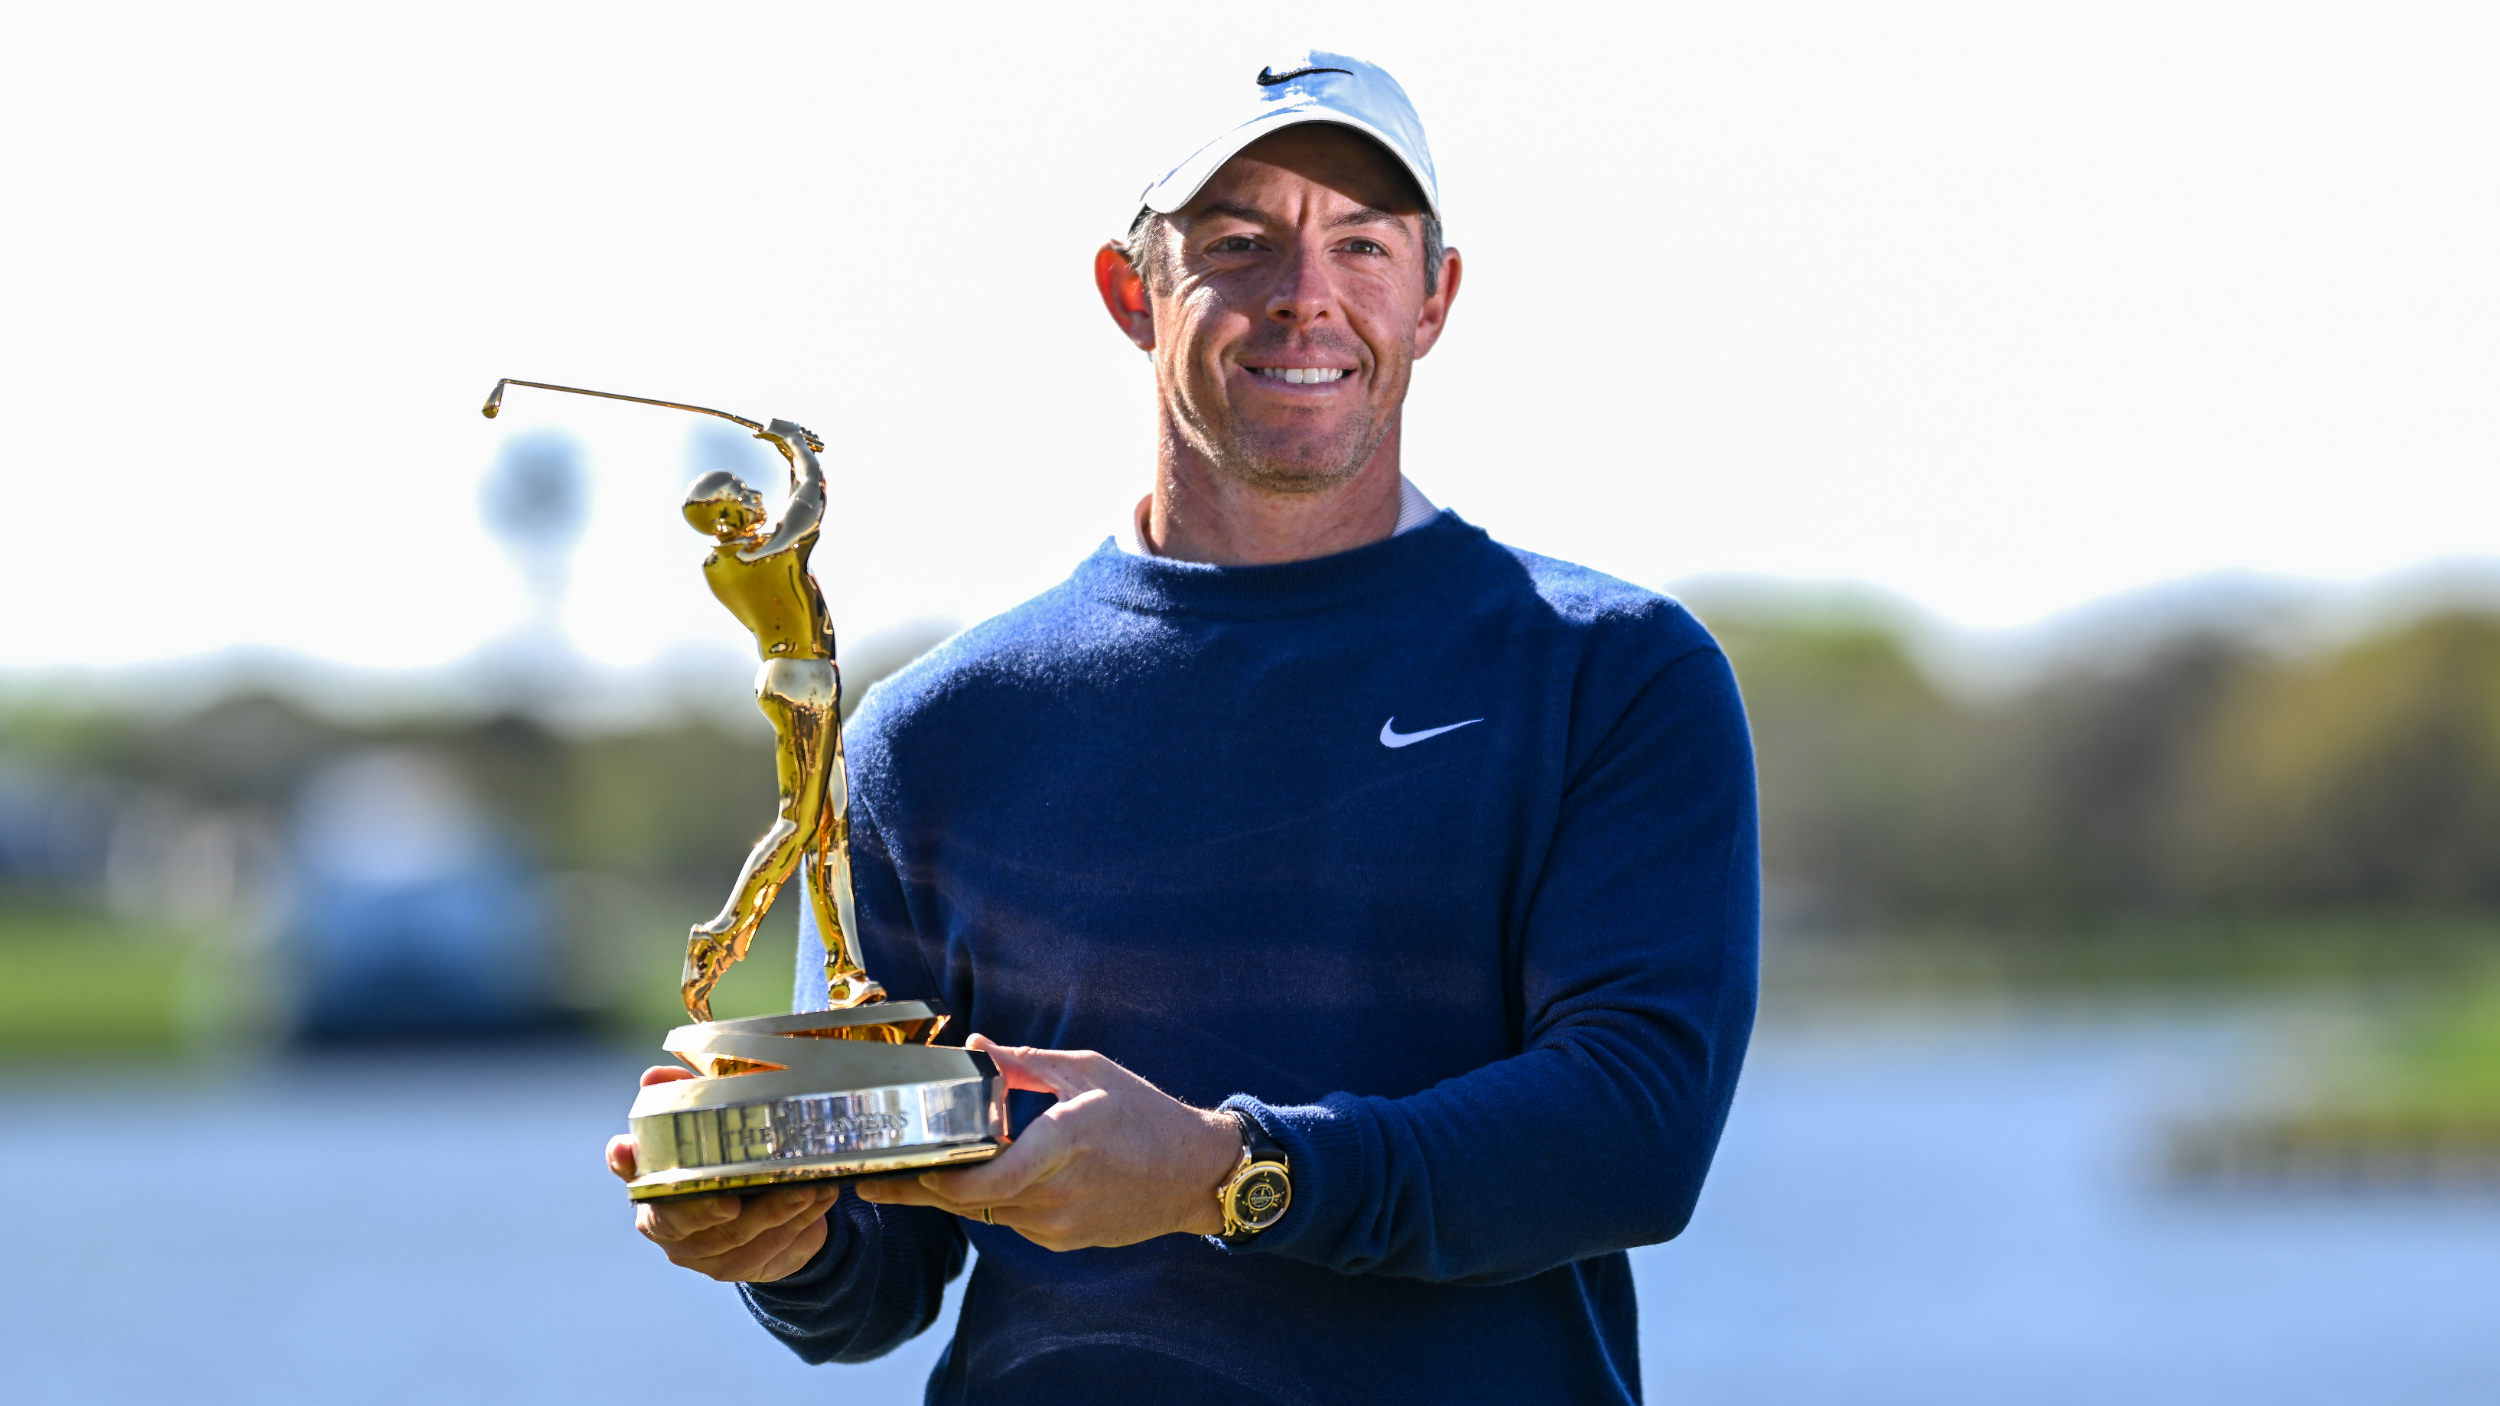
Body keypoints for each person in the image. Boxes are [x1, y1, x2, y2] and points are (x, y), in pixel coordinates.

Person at [606, 51, 1759, 1405]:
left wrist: (1231, 1171)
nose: (1306, 293)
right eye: (1237, 241)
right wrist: (779, 1236)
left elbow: (1630, 1132)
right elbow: (875, 1281)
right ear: (1129, 290)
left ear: (1435, 296)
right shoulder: (930, 733)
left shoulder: (1611, 675)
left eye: (1362, 243)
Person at [677, 420, 882, 1020]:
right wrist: (793, 447)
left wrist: (791, 451)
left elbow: (797, 512)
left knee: (829, 835)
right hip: (802, 683)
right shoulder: (756, 554)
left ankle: (846, 973)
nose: (751, 492)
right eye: (739, 491)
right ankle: (719, 938)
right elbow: (810, 504)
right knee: (800, 824)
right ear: (725, 517)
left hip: (806, 681)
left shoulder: (726, 561)